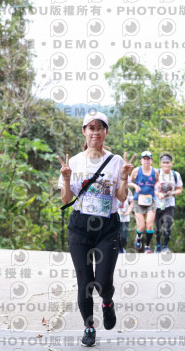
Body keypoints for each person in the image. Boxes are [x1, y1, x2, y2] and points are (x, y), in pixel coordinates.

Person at [57, 111, 135, 347]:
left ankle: (107, 302)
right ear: (84, 131)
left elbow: (121, 198)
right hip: (80, 226)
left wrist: (124, 178)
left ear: (105, 132)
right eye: (91, 128)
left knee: (102, 282)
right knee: (85, 281)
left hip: (107, 226)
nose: (95, 132)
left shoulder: (116, 161)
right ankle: (89, 327)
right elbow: (65, 199)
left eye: (100, 128)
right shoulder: (74, 162)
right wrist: (66, 178)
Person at [129, 151, 159, 253]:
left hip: (151, 200)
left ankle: (147, 246)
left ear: (151, 161)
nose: (146, 161)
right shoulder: (136, 171)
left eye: (148, 159)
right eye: (144, 159)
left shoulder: (155, 172)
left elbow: (157, 182)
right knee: (141, 226)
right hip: (138, 200)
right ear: (141, 161)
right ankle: (138, 237)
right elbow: (128, 182)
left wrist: (158, 187)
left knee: (149, 224)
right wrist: (135, 186)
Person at [154, 152, 183, 253]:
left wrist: (172, 193)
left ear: (171, 164)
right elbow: (150, 188)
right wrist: (158, 194)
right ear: (160, 164)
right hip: (157, 204)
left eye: (168, 162)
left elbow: (180, 189)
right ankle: (158, 244)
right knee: (157, 227)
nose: (166, 164)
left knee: (167, 225)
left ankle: (165, 246)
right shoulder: (156, 173)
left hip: (169, 204)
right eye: (164, 162)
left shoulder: (175, 175)